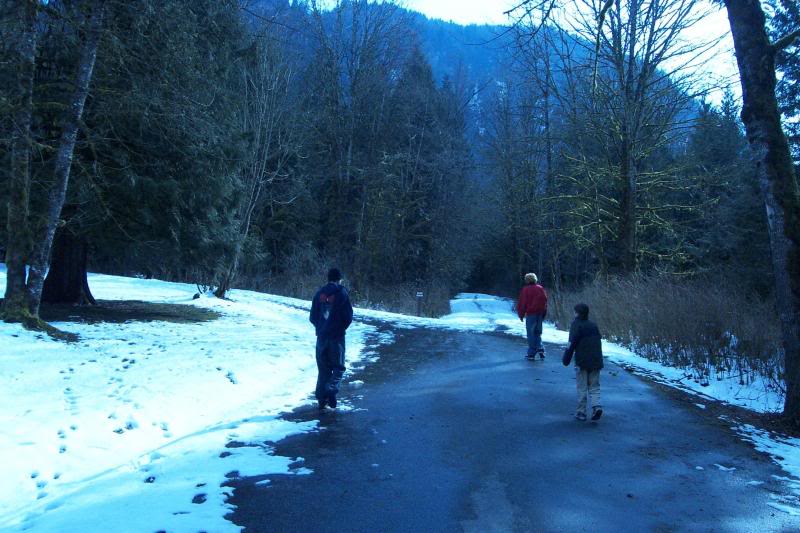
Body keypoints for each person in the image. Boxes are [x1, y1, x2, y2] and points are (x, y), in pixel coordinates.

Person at [309, 268, 353, 410]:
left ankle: (322, 399)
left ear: (328, 278)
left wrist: (321, 328)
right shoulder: (342, 293)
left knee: (323, 369)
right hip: (337, 337)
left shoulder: (319, 294)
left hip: (321, 338)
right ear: (340, 279)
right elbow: (348, 317)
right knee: (338, 367)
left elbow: (312, 317)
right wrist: (339, 328)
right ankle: (331, 388)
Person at [562, 303, 604, 421]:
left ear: (577, 313)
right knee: (594, 386)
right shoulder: (593, 325)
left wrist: (566, 359)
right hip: (596, 361)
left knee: (582, 387)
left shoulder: (576, 325)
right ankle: (596, 406)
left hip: (582, 361)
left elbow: (571, 343)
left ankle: (581, 412)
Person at [517, 272, 548, 360]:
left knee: (531, 334)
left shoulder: (526, 289)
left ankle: (531, 353)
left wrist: (521, 314)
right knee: (538, 333)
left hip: (531, 314)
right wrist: (544, 314)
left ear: (527, 280)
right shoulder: (540, 288)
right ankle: (541, 349)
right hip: (540, 314)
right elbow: (545, 302)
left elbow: (522, 303)